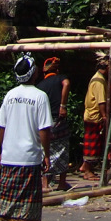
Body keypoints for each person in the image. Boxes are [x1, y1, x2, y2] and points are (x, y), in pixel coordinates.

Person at [0, 54, 52, 221]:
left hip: (9, 157)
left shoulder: (10, 95)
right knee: (25, 205)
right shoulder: (40, 96)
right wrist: (47, 155)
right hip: (29, 158)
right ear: (33, 73)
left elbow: (2, 127)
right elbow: (44, 130)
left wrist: (3, 149)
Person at [36, 57, 70, 192]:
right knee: (63, 150)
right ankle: (61, 183)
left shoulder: (40, 86)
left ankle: (45, 183)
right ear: (57, 70)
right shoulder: (60, 79)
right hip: (58, 120)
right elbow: (67, 84)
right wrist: (63, 105)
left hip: (45, 122)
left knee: (46, 151)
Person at [80, 53, 110, 181]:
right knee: (93, 144)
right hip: (94, 116)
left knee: (93, 143)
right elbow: (101, 101)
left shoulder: (97, 78)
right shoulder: (99, 81)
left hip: (91, 115)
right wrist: (104, 116)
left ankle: (86, 167)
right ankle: (87, 169)